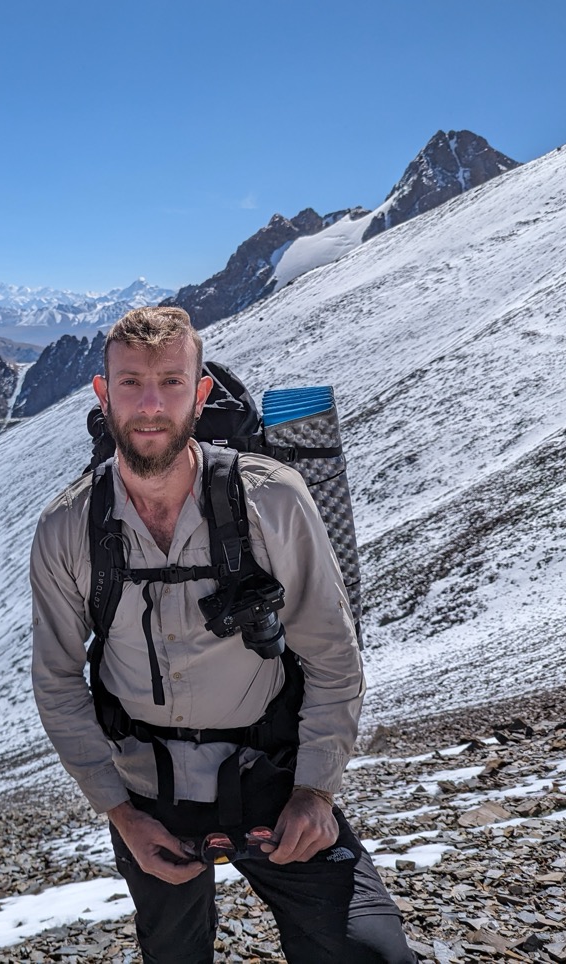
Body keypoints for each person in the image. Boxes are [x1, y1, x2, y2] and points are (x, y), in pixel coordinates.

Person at [29, 306, 414, 963]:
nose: (150, 406)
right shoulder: (68, 529)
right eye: (130, 384)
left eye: (172, 383)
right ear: (103, 395)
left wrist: (316, 794)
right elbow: (58, 680)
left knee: (372, 956)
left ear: (201, 393)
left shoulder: (275, 501)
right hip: (148, 794)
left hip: (274, 774)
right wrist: (122, 815)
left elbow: (332, 656)